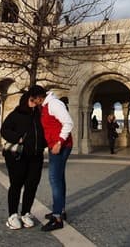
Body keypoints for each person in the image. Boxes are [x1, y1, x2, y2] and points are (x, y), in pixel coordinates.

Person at [0, 94, 47, 230]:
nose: (34, 103)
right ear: (25, 101)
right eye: (31, 101)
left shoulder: (40, 115)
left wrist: (42, 144)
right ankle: (12, 215)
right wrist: (18, 138)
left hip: (36, 155)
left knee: (32, 184)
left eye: (36, 101)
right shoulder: (16, 114)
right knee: (16, 184)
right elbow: (4, 130)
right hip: (18, 156)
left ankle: (26, 212)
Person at [32, 85, 73, 232]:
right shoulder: (46, 105)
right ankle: (60, 210)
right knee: (59, 178)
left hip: (60, 146)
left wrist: (60, 142)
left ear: (38, 97)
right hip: (55, 145)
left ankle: (57, 218)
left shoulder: (55, 104)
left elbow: (68, 123)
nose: (33, 102)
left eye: (33, 99)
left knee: (54, 179)